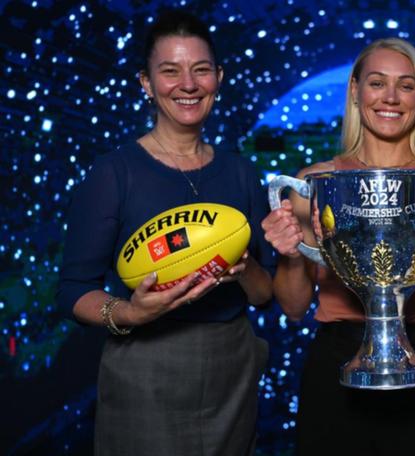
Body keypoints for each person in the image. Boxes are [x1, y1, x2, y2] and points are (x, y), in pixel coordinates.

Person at [262, 37, 415, 455]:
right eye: (377, 83)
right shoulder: (316, 182)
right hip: (337, 363)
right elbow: (293, 306)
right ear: (355, 91)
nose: (390, 97)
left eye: (406, 85)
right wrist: (288, 254)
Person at [56, 11, 274, 455]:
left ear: (219, 77)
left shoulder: (242, 172)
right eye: (170, 71)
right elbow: (74, 290)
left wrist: (244, 268)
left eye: (201, 69)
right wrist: (131, 315)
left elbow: (264, 294)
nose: (188, 84)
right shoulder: (113, 173)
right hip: (146, 367)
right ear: (146, 83)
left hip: (232, 366)